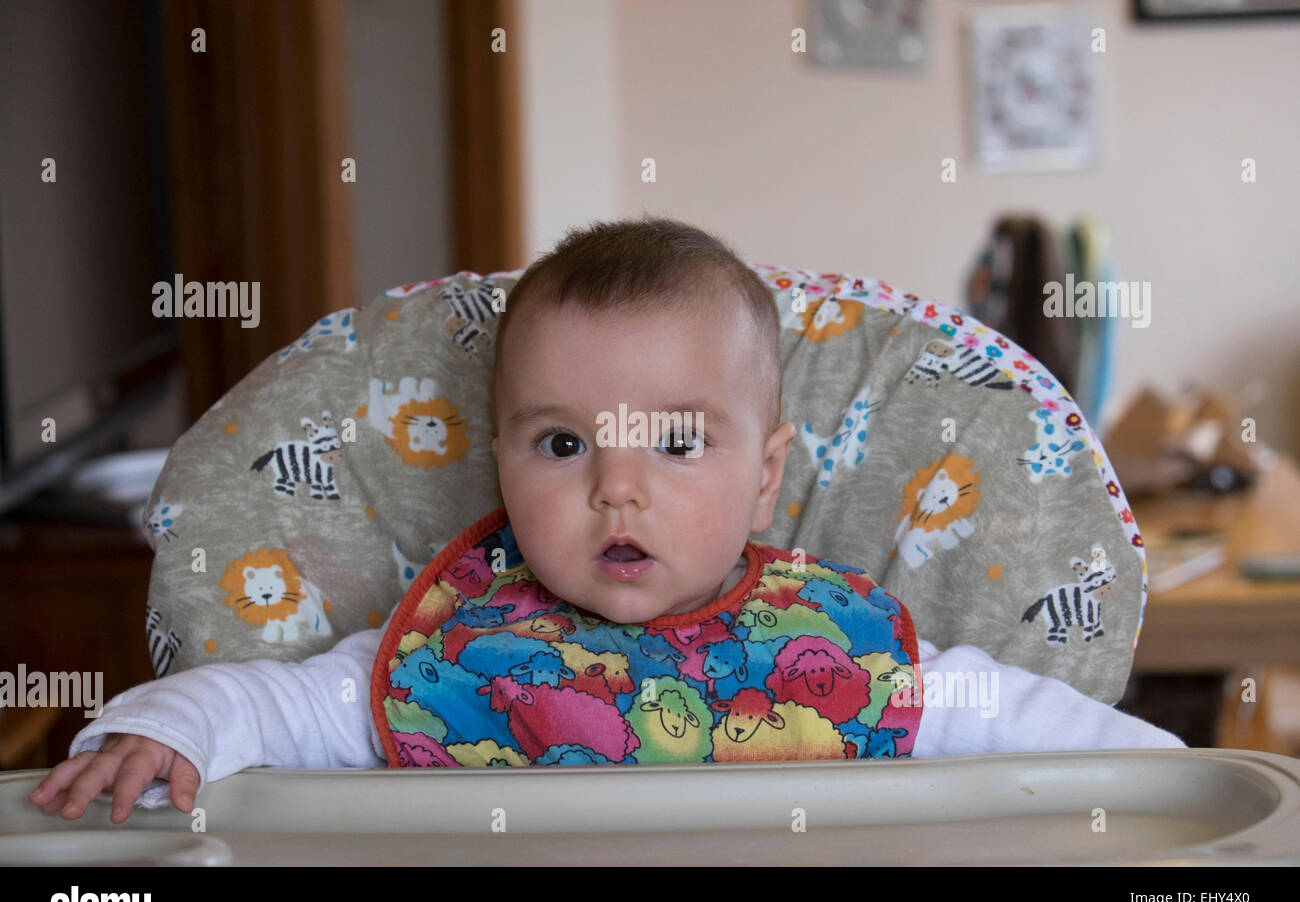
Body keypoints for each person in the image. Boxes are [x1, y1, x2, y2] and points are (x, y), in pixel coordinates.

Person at [29, 215, 1185, 824]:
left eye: (676, 443)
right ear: (500, 460)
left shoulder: (835, 649)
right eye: (564, 442)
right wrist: (168, 729)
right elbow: (273, 701)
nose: (615, 487)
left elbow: (1030, 725)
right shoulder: (453, 650)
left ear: (768, 474)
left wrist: (1186, 790)